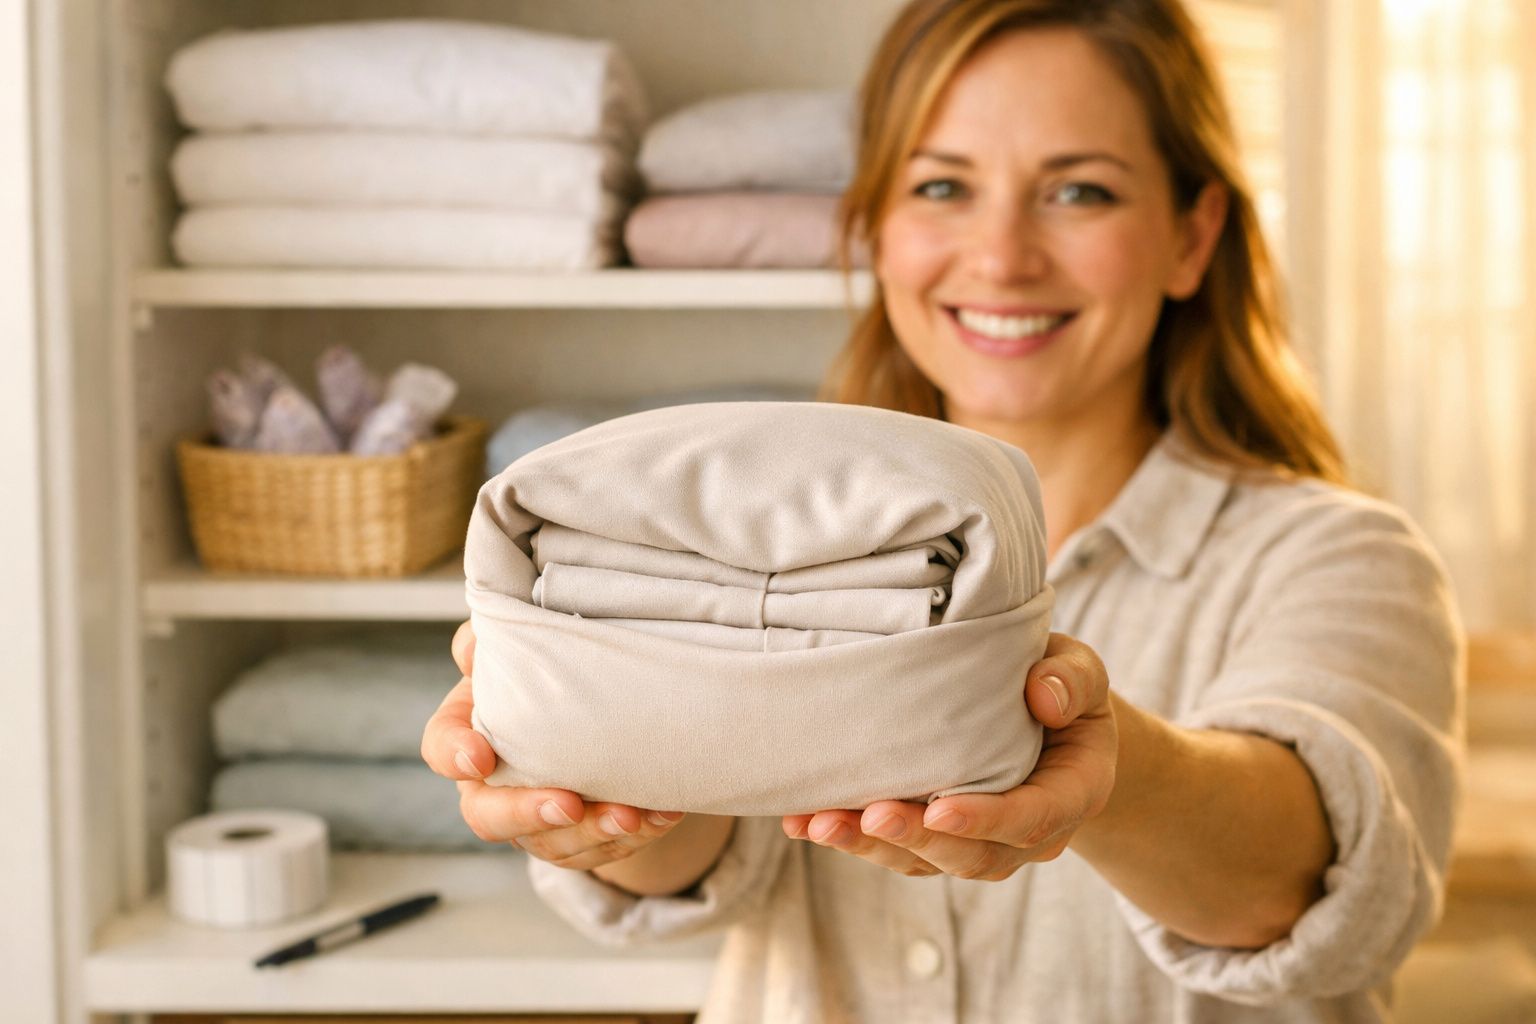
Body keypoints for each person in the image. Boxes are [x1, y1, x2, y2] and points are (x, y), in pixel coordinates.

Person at [421, 1, 1464, 1020]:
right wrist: (596, 781)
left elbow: (1314, 888)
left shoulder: (1342, 555)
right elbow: (691, 862)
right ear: (874, 226)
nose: (1003, 254)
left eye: (1080, 192)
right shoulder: (734, 539)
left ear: (1192, 237)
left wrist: (1114, 774)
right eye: (941, 186)